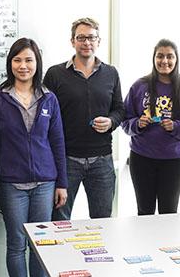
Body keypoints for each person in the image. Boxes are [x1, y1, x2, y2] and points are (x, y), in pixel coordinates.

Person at [0, 38, 67, 277]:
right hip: (11, 185)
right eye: (17, 60)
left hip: (45, 183)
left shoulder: (48, 98)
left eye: (28, 60)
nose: (23, 66)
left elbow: (58, 142)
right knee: (16, 244)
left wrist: (61, 183)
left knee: (41, 244)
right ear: (10, 63)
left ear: (37, 63)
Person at [44, 17, 124, 220]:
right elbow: (45, 116)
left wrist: (111, 122)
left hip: (102, 160)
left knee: (102, 223)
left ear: (99, 41)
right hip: (66, 160)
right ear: (72, 41)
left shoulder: (111, 73)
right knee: (59, 222)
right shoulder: (55, 74)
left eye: (91, 38)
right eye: (81, 38)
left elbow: (119, 110)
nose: (87, 42)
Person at [121, 39, 180, 215]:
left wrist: (175, 126)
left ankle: (166, 244)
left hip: (173, 161)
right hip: (141, 159)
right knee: (144, 212)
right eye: (160, 56)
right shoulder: (139, 86)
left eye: (170, 56)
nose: (165, 61)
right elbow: (124, 121)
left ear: (176, 59)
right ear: (154, 59)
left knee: (169, 213)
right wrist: (137, 124)